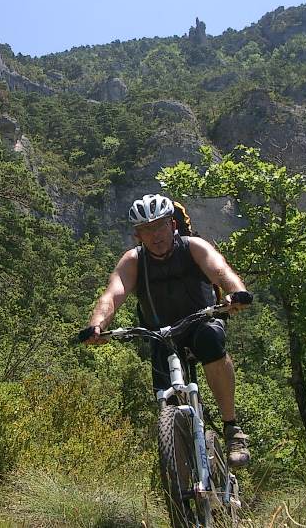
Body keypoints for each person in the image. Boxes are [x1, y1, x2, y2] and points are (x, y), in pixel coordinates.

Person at [81, 193, 252, 466]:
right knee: (166, 399)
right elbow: (113, 294)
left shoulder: (193, 246)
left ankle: (232, 429)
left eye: (159, 226)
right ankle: (182, 477)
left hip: (201, 321)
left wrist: (236, 292)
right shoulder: (133, 261)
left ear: (172, 225)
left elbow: (220, 271)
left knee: (210, 340)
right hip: (161, 334)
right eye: (147, 229)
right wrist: (97, 325)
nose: (155, 234)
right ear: (138, 235)